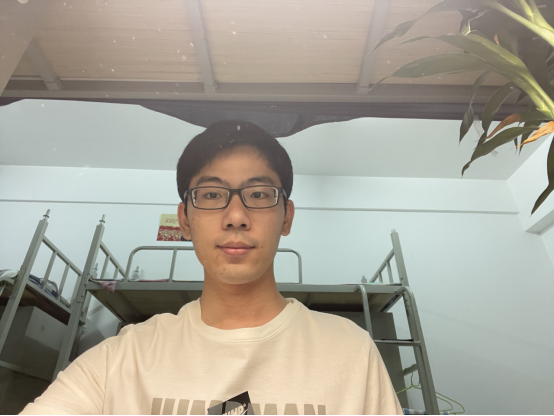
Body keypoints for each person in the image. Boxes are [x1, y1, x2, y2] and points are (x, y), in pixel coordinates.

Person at [21, 120, 402, 415]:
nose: (236, 216)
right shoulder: (121, 358)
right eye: (212, 195)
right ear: (184, 220)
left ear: (286, 217)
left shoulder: (349, 351)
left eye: (258, 194)